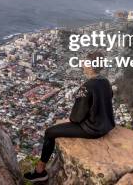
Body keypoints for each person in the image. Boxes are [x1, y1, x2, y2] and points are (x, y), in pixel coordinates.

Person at [24, 51, 115, 183]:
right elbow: (107, 100)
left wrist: (72, 119)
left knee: (49, 133)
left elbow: (76, 118)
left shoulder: (87, 87)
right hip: (106, 125)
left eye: (85, 62)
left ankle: (40, 171)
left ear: (90, 66)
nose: (83, 65)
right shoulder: (106, 82)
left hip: (92, 129)